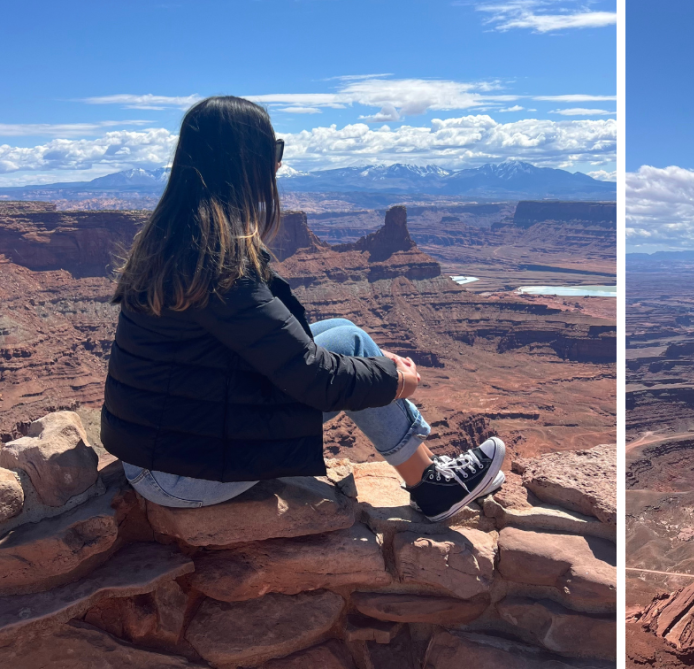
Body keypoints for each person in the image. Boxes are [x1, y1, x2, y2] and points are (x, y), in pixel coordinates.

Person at [99, 95, 503, 522]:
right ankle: (432, 487)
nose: (277, 165)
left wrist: (367, 362)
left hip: (162, 449)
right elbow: (311, 377)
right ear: (243, 161)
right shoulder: (215, 261)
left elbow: (280, 346)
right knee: (353, 356)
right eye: (272, 151)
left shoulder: (179, 234)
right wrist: (395, 381)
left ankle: (430, 475)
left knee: (346, 336)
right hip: (179, 476)